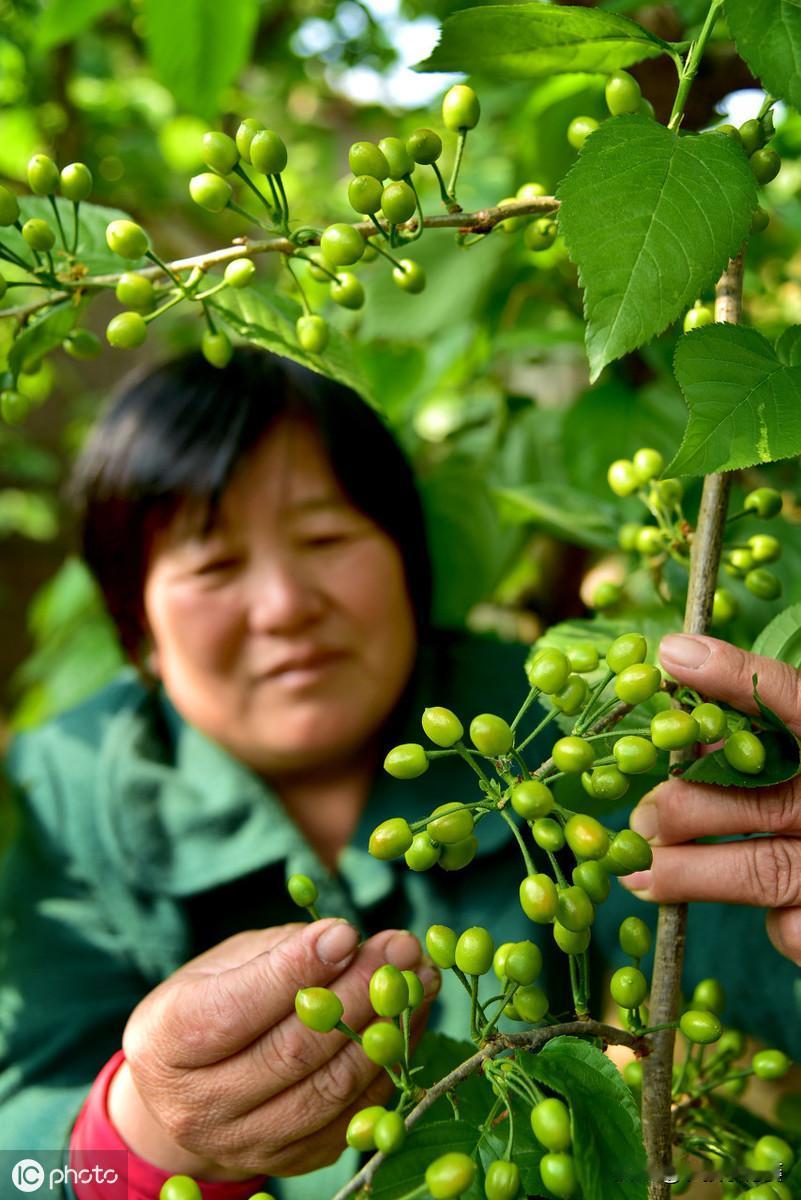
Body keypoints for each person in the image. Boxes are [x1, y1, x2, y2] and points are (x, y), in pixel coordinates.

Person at [1, 346, 799, 1200]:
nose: (283, 607)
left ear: (408, 562)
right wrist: (140, 1136)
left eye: (324, 537)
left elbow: (745, 959)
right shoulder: (54, 799)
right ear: (140, 632)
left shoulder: (563, 725)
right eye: (213, 566)